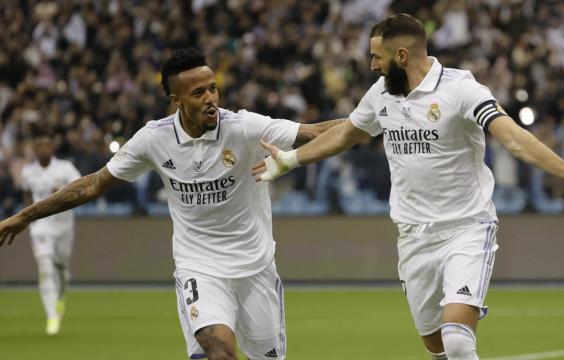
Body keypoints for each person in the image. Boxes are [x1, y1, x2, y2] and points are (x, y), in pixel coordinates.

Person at [252, 14, 564, 360]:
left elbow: (511, 137)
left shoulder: (461, 89)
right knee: (436, 349)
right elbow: (345, 135)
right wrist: (289, 160)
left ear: (401, 56)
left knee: (458, 342)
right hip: (413, 237)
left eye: (377, 56)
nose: (372, 65)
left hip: (466, 229)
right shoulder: (381, 95)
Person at [0, 47, 342, 360]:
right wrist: (25, 216)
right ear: (176, 100)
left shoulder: (244, 127)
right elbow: (93, 184)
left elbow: (315, 132)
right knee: (219, 352)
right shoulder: (154, 138)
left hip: (256, 268)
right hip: (200, 268)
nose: (210, 99)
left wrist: (371, 121)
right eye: (198, 92)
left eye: (212, 88)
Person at [20, 131, 81, 335]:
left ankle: (60, 298)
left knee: (61, 268)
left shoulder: (65, 168)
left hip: (63, 225)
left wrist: (63, 191)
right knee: (45, 266)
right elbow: (27, 194)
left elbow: (80, 189)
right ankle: (52, 317)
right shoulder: (28, 172)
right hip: (41, 226)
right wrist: (29, 219)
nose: (43, 149)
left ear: (52, 148)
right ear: (35, 150)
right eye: (39, 146)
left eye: (47, 145)